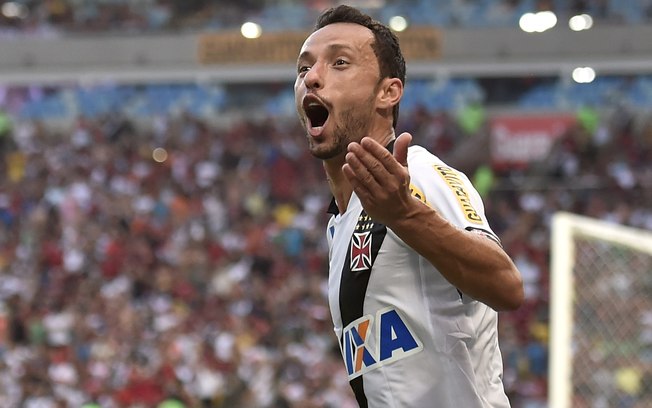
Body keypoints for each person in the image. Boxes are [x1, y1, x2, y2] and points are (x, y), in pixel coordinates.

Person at [294, 5, 524, 408]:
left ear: (389, 92)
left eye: (340, 62)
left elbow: (506, 285)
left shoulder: (418, 172)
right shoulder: (341, 222)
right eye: (304, 68)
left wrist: (405, 214)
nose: (312, 77)